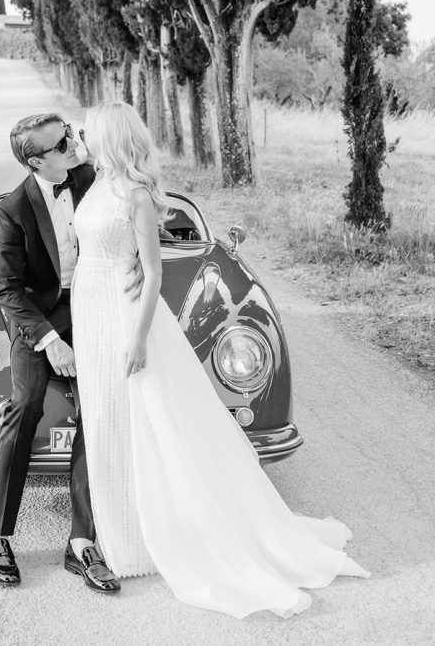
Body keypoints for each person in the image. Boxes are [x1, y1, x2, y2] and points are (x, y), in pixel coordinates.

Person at [71, 101, 370, 620]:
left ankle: (141, 540)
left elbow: (153, 272)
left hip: (121, 312)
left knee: (142, 420)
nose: (83, 136)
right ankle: (117, 527)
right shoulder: (96, 180)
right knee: (105, 419)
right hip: (89, 308)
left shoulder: (136, 195)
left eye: (89, 131)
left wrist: (138, 337)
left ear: (110, 137)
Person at [0, 112, 140, 593]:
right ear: (35, 161)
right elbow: (7, 288)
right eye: (60, 144)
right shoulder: (13, 209)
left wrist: (139, 257)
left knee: (98, 410)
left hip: (96, 309)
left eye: (69, 134)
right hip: (38, 321)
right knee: (25, 404)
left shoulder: (92, 177)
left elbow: (133, 209)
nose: (72, 144)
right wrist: (50, 341)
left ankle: (82, 542)